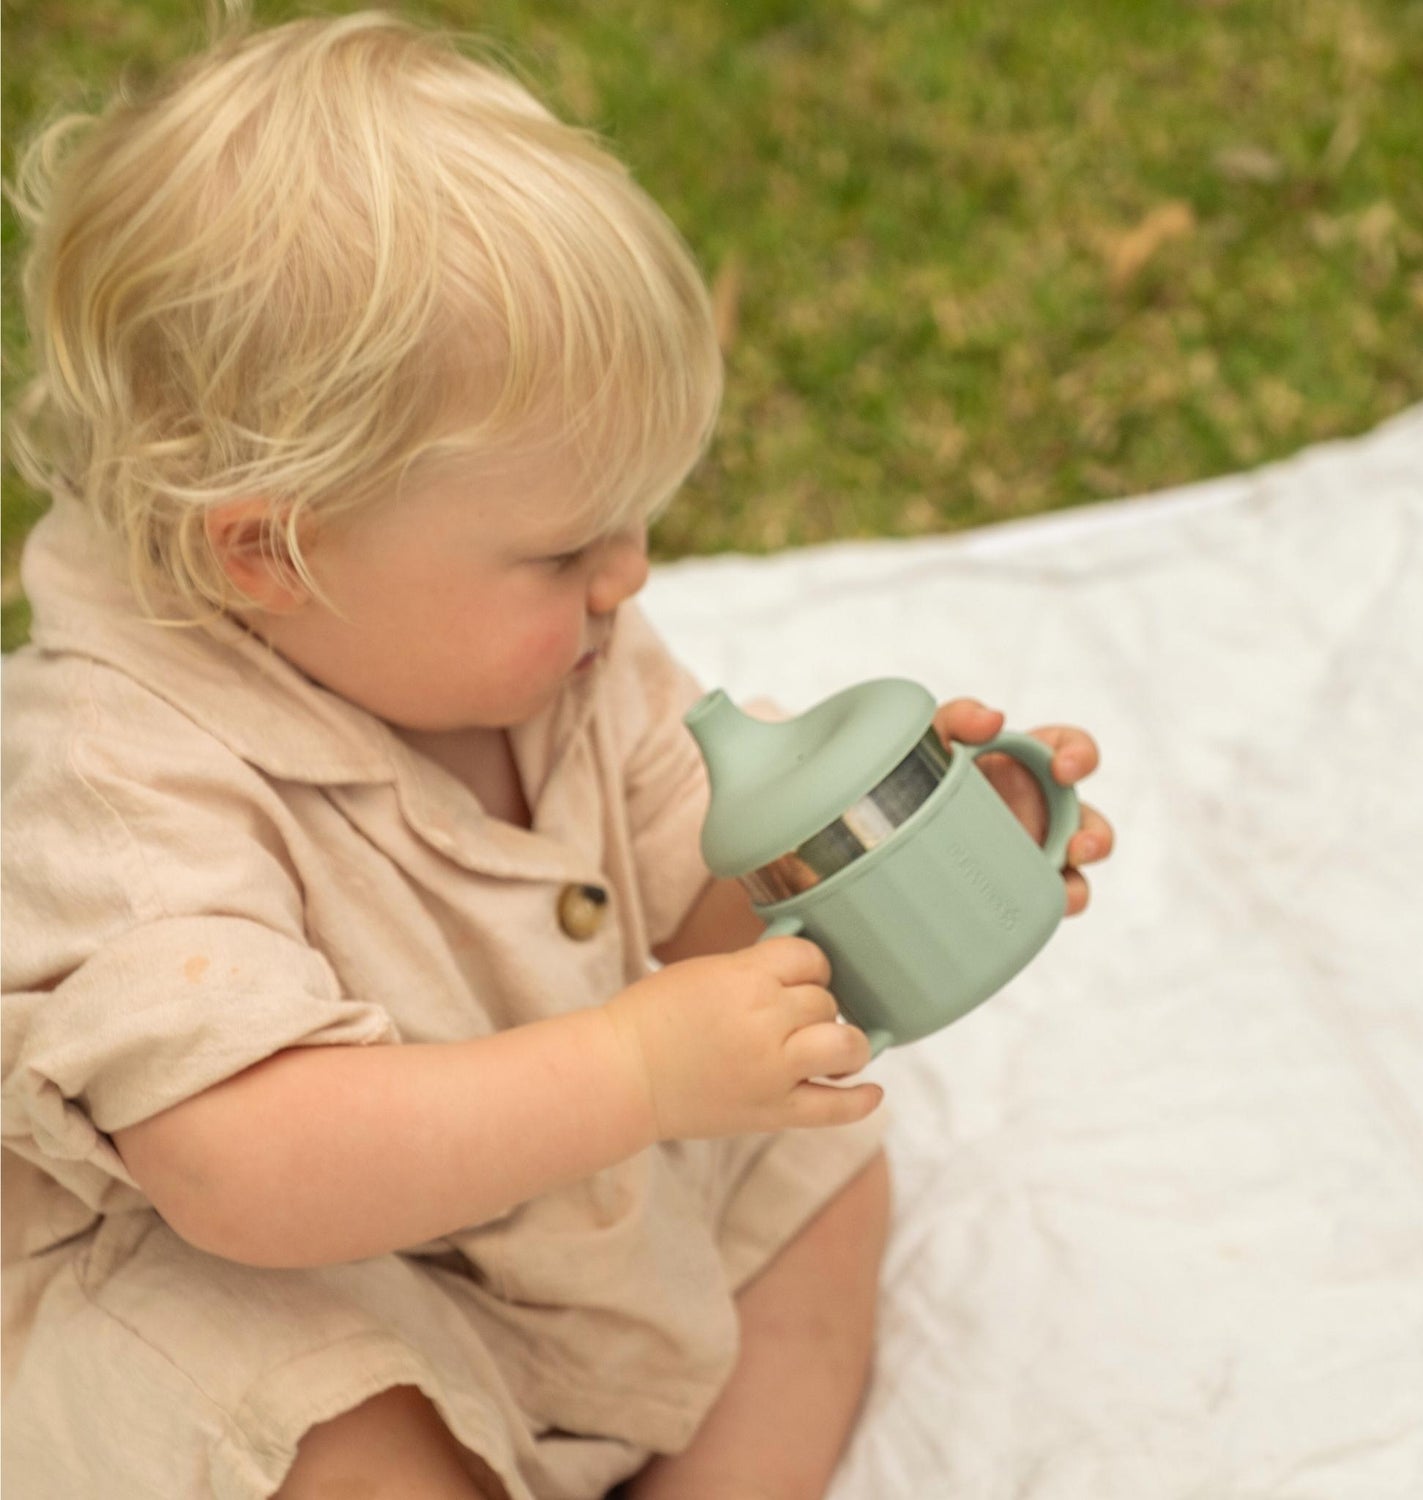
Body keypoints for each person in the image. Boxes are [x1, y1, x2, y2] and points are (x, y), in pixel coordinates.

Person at [1, 11, 1114, 1499]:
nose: (629, 577)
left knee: (819, 1178)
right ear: (270, 553)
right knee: (291, 1423)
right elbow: (235, 1168)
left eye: (633, 521)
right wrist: (636, 1069)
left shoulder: (551, 654)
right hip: (290, 1273)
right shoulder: (119, 790)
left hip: (551, 1229)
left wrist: (867, 860)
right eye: (565, 549)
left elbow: (699, 899)